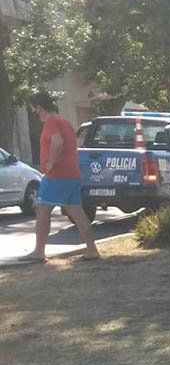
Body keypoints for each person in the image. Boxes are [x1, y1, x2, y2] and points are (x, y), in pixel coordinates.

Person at [20, 92, 101, 262]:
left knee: (42, 210)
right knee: (78, 213)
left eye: (33, 109)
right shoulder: (66, 122)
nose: (34, 112)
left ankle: (39, 252)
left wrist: (50, 162)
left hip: (56, 176)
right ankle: (92, 250)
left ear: (39, 108)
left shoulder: (51, 122)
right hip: (72, 175)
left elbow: (57, 142)